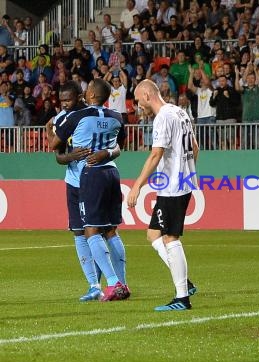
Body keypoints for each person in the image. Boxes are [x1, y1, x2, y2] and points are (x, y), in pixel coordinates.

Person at [49, 78, 129, 302]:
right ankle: (95, 285)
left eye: (70, 98)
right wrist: (72, 156)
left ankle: (114, 283)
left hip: (89, 177)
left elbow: (54, 145)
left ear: (85, 95)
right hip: (88, 176)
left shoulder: (76, 117)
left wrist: (51, 133)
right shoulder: (115, 117)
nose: (65, 103)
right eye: (62, 100)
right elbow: (117, 146)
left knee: (93, 231)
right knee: (88, 231)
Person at [127, 79, 199, 311]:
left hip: (173, 187)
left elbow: (156, 154)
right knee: (153, 234)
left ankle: (182, 298)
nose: (139, 107)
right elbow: (195, 148)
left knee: (170, 238)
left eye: (139, 101)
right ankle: (184, 282)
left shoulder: (163, 117)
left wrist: (137, 185)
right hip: (180, 182)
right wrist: (187, 172)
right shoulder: (180, 112)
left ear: (148, 95)